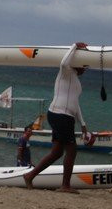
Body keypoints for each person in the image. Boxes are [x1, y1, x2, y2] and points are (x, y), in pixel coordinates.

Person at [23, 42, 90, 192]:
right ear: (77, 64)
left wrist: (83, 125)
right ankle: (65, 185)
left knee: (57, 152)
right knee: (71, 150)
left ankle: (30, 176)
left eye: (87, 66)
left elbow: (75, 103)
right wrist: (74, 46)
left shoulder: (75, 81)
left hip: (62, 116)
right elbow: (63, 62)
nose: (85, 69)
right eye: (83, 65)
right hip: (61, 115)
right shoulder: (66, 72)